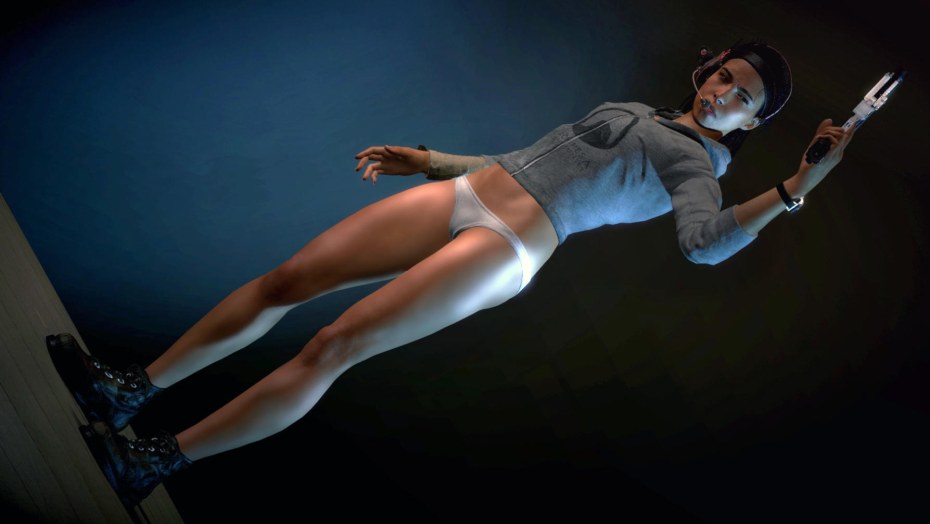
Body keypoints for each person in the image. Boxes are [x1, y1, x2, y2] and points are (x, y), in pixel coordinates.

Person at [51, 38, 856, 506]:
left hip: (509, 246)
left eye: (743, 97)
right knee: (287, 281)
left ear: (752, 122)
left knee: (332, 346)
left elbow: (704, 244)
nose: (723, 93)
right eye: (725, 76)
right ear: (709, 70)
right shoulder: (643, 112)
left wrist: (796, 188)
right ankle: (128, 390)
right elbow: (528, 157)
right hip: (472, 191)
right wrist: (432, 161)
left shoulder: (700, 167)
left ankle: (158, 460)